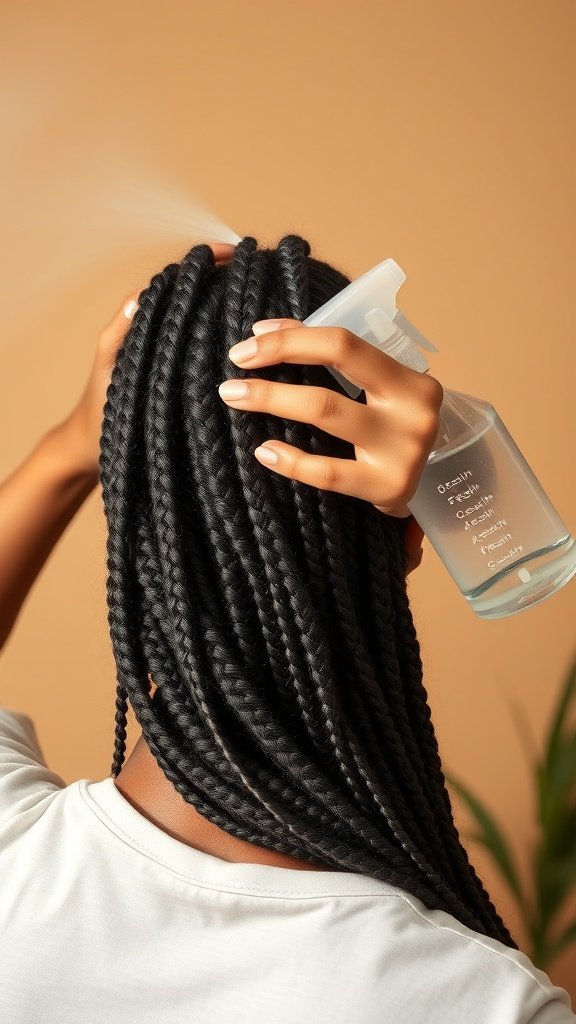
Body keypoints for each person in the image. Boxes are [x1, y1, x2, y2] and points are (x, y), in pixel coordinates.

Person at [0, 235, 572, 1022]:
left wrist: (71, 446)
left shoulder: (13, 868)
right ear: (405, 543)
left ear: (136, 530)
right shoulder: (478, 1002)